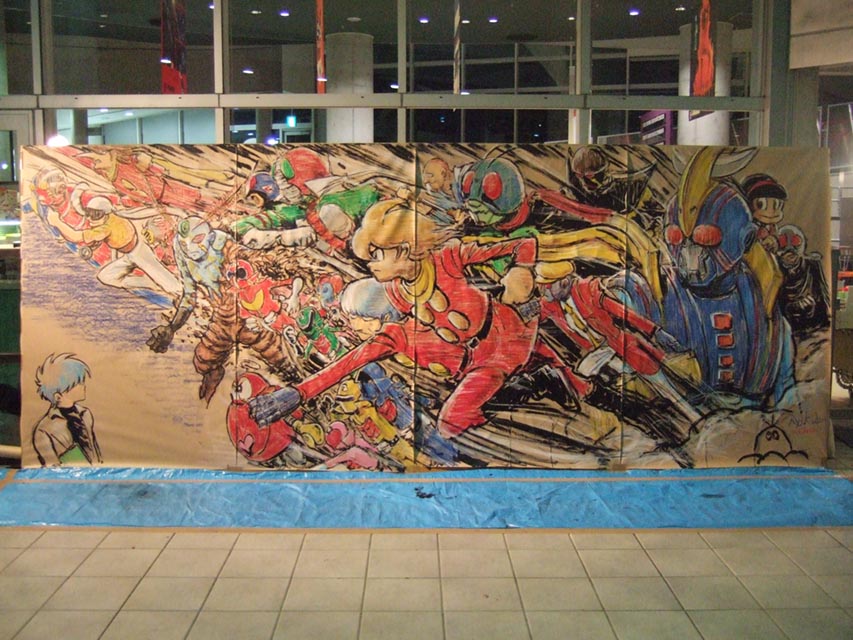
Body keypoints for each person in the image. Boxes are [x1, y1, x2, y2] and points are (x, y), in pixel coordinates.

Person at [32, 353, 101, 466]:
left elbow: (94, 450)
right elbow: (51, 466)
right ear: (58, 397)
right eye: (77, 383)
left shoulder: (85, 414)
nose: (83, 386)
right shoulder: (44, 430)